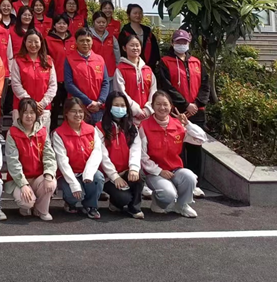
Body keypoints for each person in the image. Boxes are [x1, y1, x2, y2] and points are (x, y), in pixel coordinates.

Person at [156, 29, 210, 197]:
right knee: (177, 149)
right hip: (176, 112)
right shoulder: (164, 62)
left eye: (184, 42)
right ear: (172, 43)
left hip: (196, 112)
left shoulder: (197, 62)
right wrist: (185, 104)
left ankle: (195, 184)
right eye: (178, 42)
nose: (181, 45)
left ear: (189, 43)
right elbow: (166, 86)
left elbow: (205, 85)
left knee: (195, 148)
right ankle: (179, 183)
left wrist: (197, 104)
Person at [140, 90, 207, 217]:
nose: (162, 108)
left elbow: (201, 139)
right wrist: (160, 171)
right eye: (158, 104)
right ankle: (158, 202)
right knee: (168, 194)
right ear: (152, 106)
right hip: (154, 173)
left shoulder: (178, 125)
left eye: (165, 104)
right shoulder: (144, 126)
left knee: (190, 177)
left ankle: (182, 205)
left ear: (171, 106)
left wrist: (188, 124)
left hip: (175, 170)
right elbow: (143, 156)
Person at [4, 98, 57, 220]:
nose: (29, 116)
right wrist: (23, 184)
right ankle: (26, 206)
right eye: (25, 112)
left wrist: (49, 174)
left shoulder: (42, 132)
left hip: (38, 177)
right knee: (26, 201)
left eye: (32, 112)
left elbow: (49, 156)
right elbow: (13, 162)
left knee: (51, 182)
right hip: (19, 179)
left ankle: (41, 210)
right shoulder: (12, 133)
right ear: (20, 114)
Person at [52, 97, 105, 219]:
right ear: (66, 113)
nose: (78, 115)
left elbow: (97, 152)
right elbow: (62, 161)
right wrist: (74, 184)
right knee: (74, 193)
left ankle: (91, 206)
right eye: (73, 111)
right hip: (68, 174)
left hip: (86, 171)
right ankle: (70, 203)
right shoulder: (59, 133)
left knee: (98, 177)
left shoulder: (91, 130)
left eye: (80, 111)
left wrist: (88, 173)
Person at [99, 91, 144, 219]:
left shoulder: (131, 127)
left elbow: (136, 149)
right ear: (109, 106)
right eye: (116, 105)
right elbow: (103, 156)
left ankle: (134, 207)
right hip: (108, 176)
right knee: (123, 198)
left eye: (123, 105)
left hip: (126, 171)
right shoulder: (100, 127)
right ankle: (116, 201)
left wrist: (134, 168)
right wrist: (114, 176)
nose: (120, 108)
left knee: (140, 176)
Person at [10, 29, 57, 127]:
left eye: (36, 42)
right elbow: (16, 84)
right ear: (24, 42)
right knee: (21, 135)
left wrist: (43, 103)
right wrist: (31, 103)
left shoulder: (48, 60)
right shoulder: (18, 60)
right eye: (30, 41)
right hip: (22, 107)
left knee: (42, 135)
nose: (33, 45)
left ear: (41, 42)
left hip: (43, 108)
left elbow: (53, 85)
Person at [64, 28, 109, 124]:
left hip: (98, 108)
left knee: (98, 132)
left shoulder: (99, 59)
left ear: (92, 42)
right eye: (81, 40)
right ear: (76, 42)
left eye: (88, 40)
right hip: (79, 107)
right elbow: (69, 84)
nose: (85, 43)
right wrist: (88, 102)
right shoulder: (69, 60)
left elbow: (105, 82)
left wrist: (100, 102)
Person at [114, 34, 156, 123]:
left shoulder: (147, 70)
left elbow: (153, 90)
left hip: (147, 116)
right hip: (129, 116)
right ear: (124, 48)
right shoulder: (120, 69)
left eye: (137, 45)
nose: (135, 48)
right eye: (132, 45)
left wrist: (148, 109)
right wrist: (136, 110)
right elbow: (120, 92)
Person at [90, 11, 120, 77]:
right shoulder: (89, 36)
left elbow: (117, 53)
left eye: (103, 22)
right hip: (94, 71)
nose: (101, 24)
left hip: (110, 72)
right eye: (98, 22)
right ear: (93, 22)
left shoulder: (111, 37)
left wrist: (118, 67)